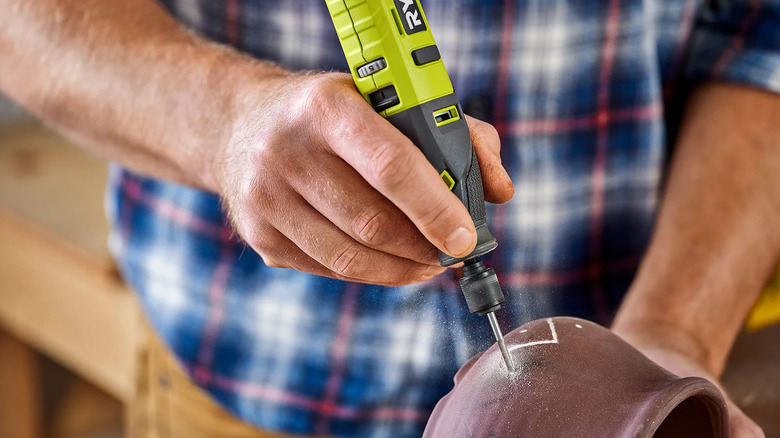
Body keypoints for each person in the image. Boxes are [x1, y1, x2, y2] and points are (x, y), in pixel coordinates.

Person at [1, 0, 778, 437]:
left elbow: (763, 36)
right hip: (235, 391)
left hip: (633, 330)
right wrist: (222, 122)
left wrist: (672, 338)